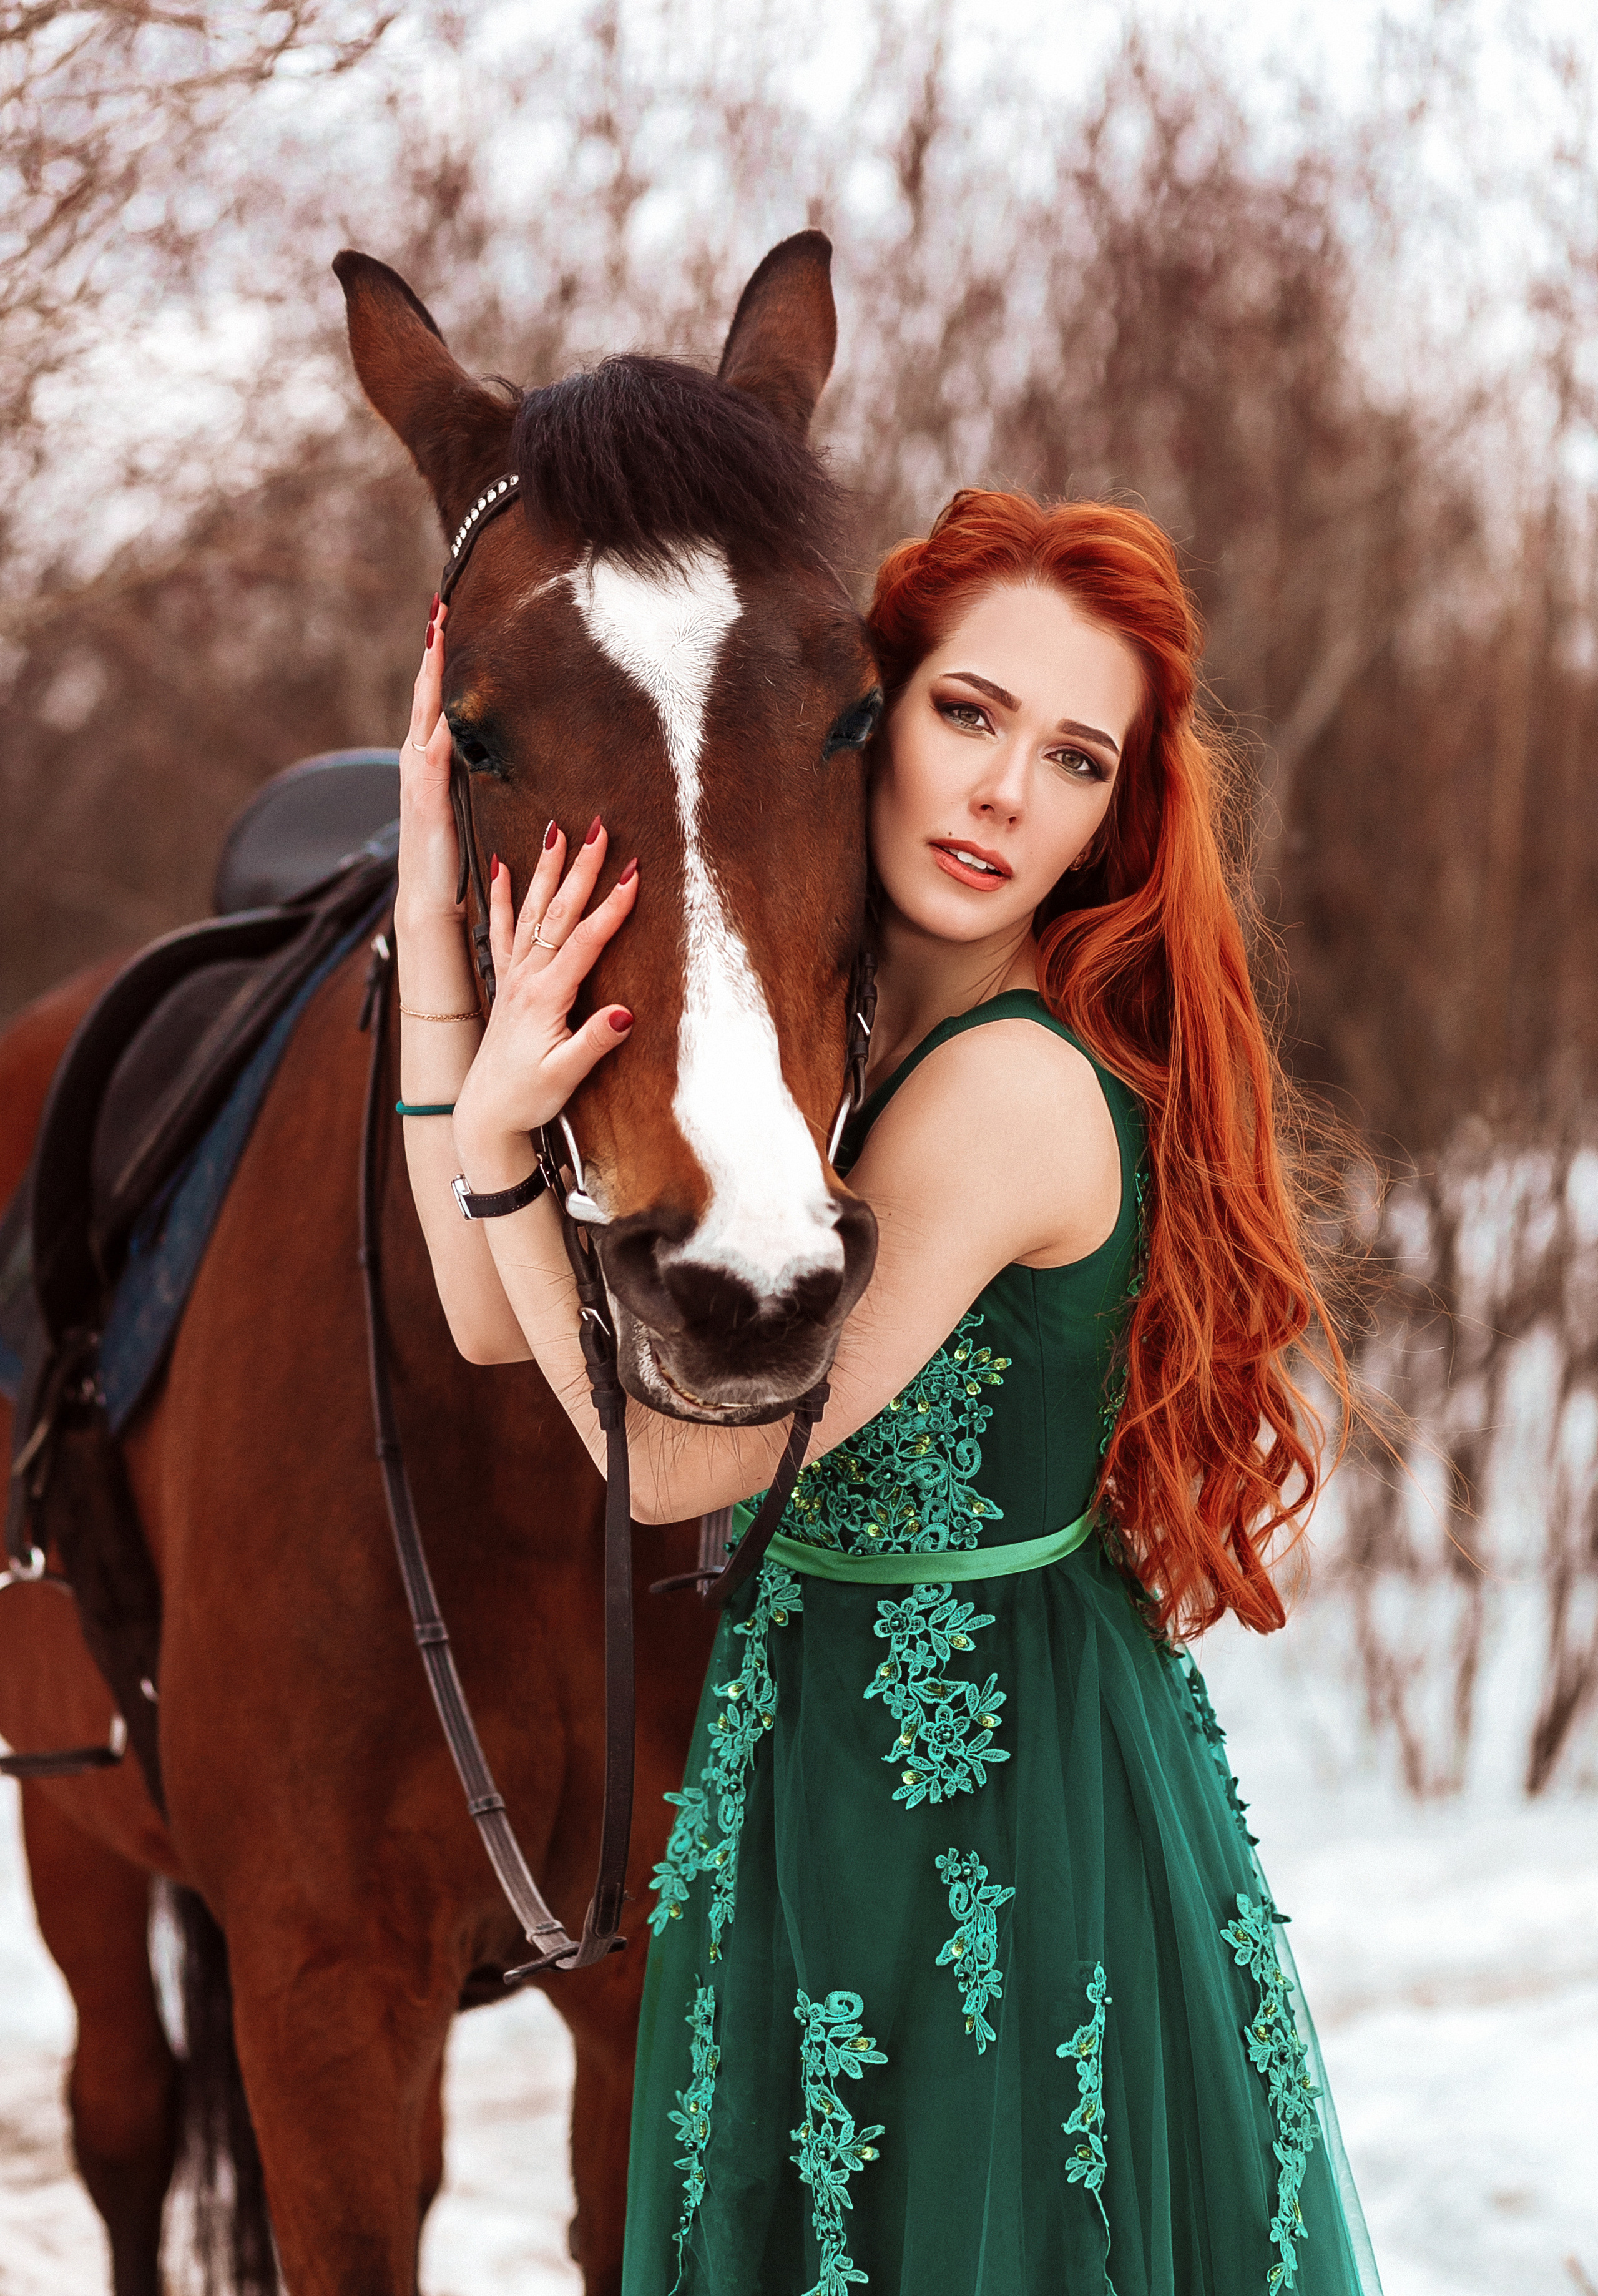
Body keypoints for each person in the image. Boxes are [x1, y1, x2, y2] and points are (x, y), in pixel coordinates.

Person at [394, 487, 1383, 2295]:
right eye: (971, 714)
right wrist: (437, 912)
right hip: (810, 1766)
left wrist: (494, 1149)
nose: (1007, 791)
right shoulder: (842, 1065)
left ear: (1114, 821)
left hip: (997, 1828)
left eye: (1076, 759)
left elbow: (685, 1464)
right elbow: (488, 1321)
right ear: (866, 711)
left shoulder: (1002, 1095)